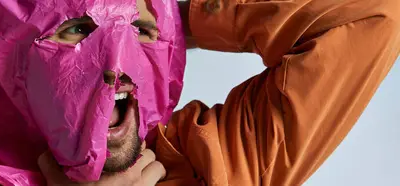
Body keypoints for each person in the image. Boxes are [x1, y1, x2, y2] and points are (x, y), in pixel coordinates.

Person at [36, 0, 400, 185]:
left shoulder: (209, 159)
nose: (118, 63)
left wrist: (176, 18)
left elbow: (374, 13)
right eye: (79, 30)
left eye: (139, 32)